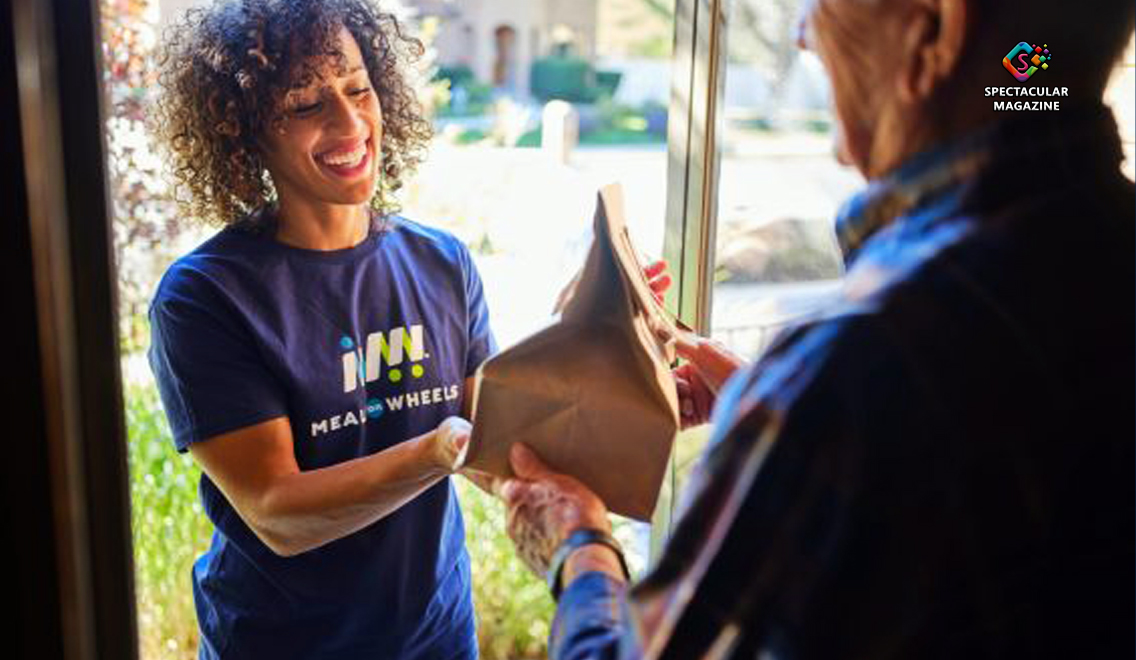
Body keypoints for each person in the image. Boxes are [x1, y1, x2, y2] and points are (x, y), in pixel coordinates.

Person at [495, 0, 1135, 658]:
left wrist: (579, 547)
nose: (802, 30)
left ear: (936, 30)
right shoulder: (1096, 248)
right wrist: (768, 405)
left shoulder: (860, 368)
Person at [147, 2, 492, 657]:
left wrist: (606, 357)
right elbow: (277, 513)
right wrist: (437, 450)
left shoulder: (442, 261)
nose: (349, 121)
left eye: (358, 88)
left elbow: (499, 441)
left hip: (438, 640)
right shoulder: (205, 297)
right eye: (306, 104)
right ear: (245, 132)